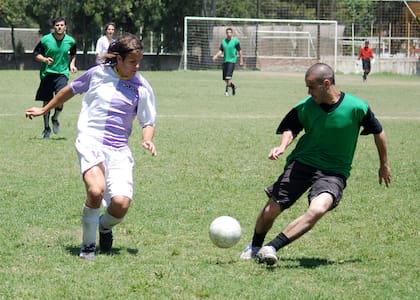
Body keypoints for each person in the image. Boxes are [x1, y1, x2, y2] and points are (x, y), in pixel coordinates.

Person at [240, 63, 391, 266]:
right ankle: (255, 246)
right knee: (271, 210)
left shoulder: (357, 107)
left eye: (311, 87)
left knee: (318, 209)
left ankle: (272, 247)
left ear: (326, 83)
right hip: (302, 163)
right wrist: (282, 146)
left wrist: (384, 164)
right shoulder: (306, 106)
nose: (309, 92)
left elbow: (378, 132)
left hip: (334, 172)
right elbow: (291, 128)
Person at [26, 33, 157, 260]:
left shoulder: (141, 86)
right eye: (132, 62)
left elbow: (148, 120)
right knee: (95, 191)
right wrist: (45, 109)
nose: (137, 66)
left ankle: (104, 227)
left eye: (139, 62)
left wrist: (148, 138)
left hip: (118, 149)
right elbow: (71, 89)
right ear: (118, 59)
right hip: (91, 140)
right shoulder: (97, 74)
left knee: (121, 204)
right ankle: (87, 248)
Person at [33, 16, 78, 139]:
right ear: (54, 27)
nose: (59, 27)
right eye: (57, 25)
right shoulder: (46, 40)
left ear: (65, 27)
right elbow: (36, 54)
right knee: (46, 101)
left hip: (62, 74)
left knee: (61, 99)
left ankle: (55, 118)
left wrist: (72, 64)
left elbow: (73, 53)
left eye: (62, 25)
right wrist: (44, 59)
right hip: (47, 73)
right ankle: (46, 128)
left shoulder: (71, 41)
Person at [212, 28, 244, 96]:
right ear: (226, 33)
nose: (229, 34)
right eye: (227, 33)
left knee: (228, 77)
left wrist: (241, 60)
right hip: (225, 61)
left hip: (232, 61)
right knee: (225, 79)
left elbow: (240, 51)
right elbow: (221, 51)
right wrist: (216, 56)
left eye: (230, 32)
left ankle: (226, 92)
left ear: (232, 33)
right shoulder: (223, 41)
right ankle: (233, 86)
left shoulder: (235, 41)